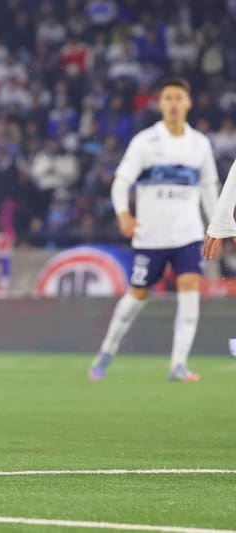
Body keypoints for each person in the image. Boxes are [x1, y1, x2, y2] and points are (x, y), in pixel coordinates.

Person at [88, 77, 219, 382]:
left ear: (188, 103)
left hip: (188, 233)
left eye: (179, 98)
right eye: (168, 98)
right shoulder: (145, 142)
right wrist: (123, 215)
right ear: (160, 104)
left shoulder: (200, 145)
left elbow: (210, 189)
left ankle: (178, 364)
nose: (173, 103)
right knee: (137, 296)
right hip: (151, 235)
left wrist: (218, 226)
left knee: (190, 290)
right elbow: (121, 181)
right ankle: (107, 349)